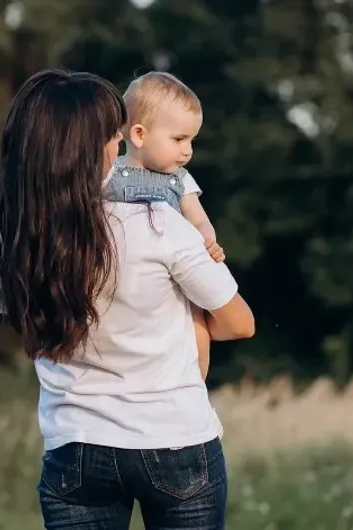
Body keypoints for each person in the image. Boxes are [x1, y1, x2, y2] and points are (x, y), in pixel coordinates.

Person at [0, 69, 255, 530]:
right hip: (174, 438)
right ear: (85, 147)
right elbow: (238, 323)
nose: (118, 143)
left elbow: (26, 318)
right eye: (111, 133)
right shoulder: (156, 223)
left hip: (75, 447)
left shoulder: (2, 235)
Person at [104, 71, 221, 381]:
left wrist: (207, 239)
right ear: (140, 134)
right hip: (125, 274)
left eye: (191, 140)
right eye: (179, 139)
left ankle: (194, 384)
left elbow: (199, 219)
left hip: (174, 274)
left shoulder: (180, 180)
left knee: (197, 326)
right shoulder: (109, 175)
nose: (188, 150)